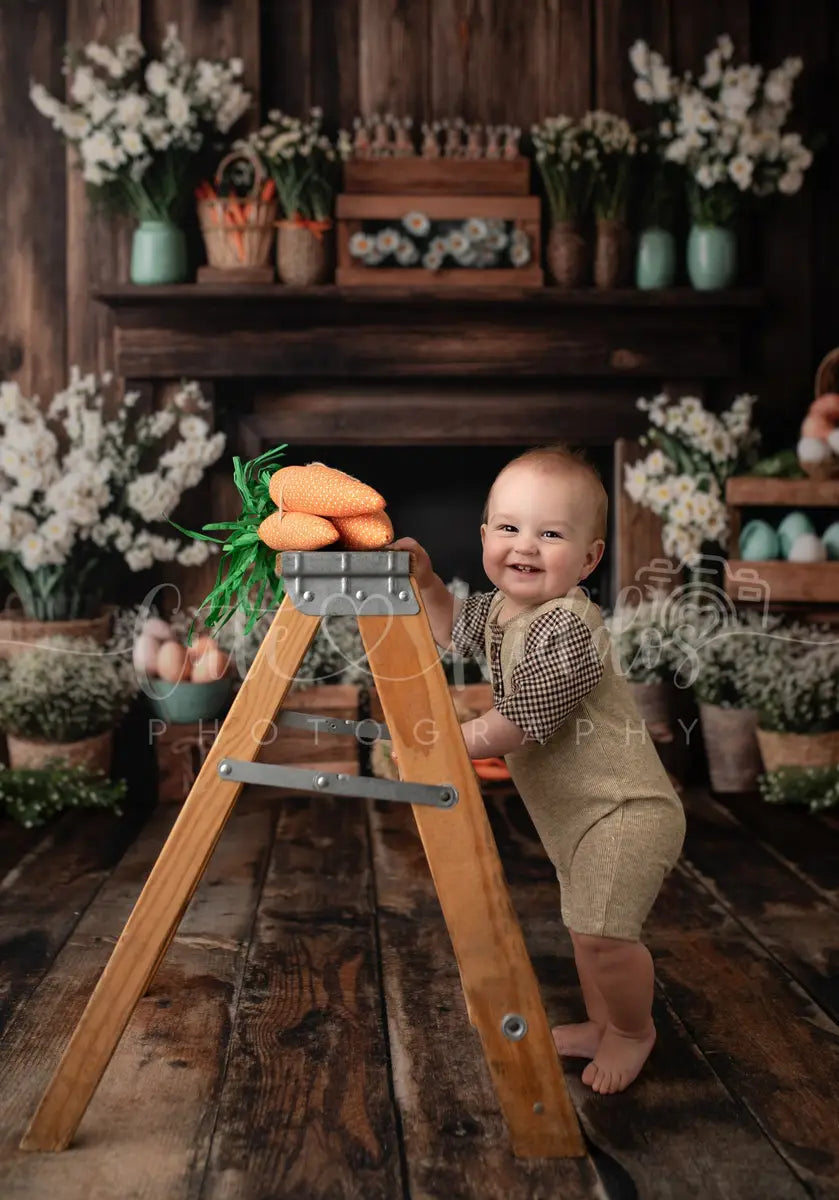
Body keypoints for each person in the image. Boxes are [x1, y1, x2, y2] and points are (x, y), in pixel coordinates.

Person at [387, 444, 686, 1095]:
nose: (524, 545)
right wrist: (429, 584)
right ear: (485, 536)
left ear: (588, 559)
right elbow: (451, 632)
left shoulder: (568, 627)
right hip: (575, 818)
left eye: (550, 534)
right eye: (509, 528)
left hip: (623, 810)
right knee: (586, 932)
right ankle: (602, 1024)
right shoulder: (499, 610)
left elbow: (519, 720)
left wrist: (447, 743)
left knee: (604, 934)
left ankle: (633, 1032)